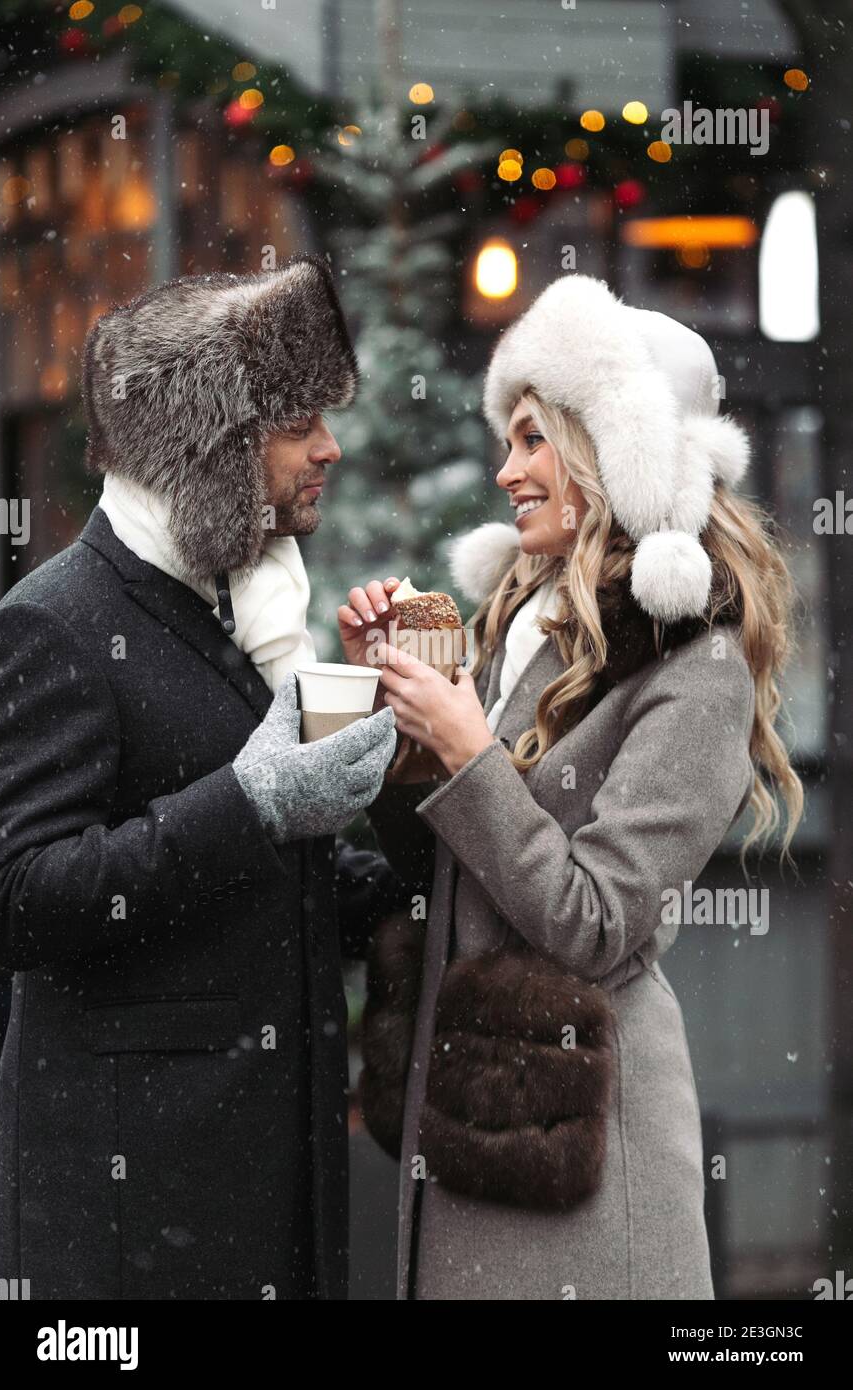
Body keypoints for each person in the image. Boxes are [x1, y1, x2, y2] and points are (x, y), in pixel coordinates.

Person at [342, 273, 803, 1300]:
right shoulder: (520, 634)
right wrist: (399, 716)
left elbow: (594, 921)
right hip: (479, 1132)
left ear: (615, 454)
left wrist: (464, 751)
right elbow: (450, 870)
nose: (504, 471)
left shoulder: (699, 667)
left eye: (531, 439)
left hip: (584, 1177)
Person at [0, 256, 404, 1300]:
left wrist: (423, 797)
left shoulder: (248, 602)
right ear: (213, 441)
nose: (329, 447)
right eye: (298, 421)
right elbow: (17, 902)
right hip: (135, 1231)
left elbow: (270, 894)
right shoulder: (56, 621)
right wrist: (251, 803)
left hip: (261, 1204)